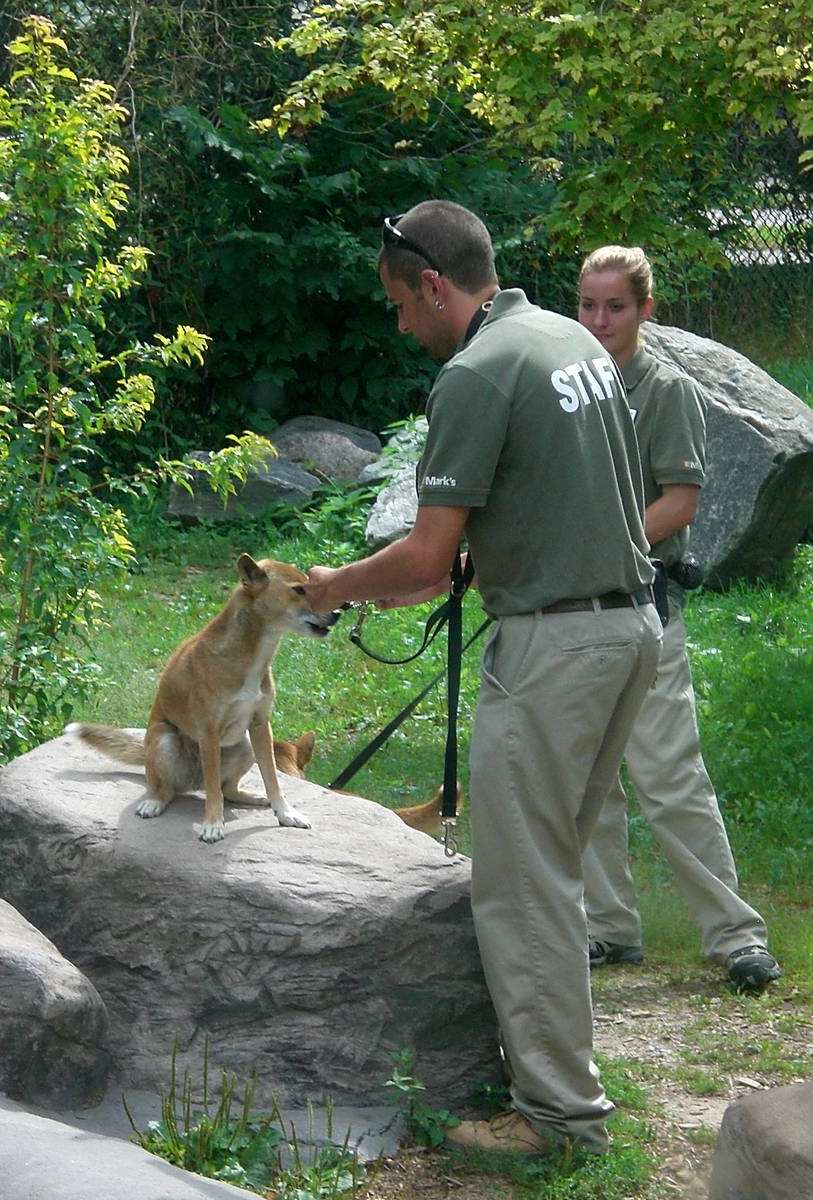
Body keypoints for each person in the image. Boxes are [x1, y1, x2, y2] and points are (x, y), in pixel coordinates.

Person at [302, 202, 663, 1157]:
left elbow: (423, 562)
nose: (399, 325)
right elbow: (576, 488)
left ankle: (557, 1121)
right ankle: (563, 1084)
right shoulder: (564, 339)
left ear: (432, 283)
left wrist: (335, 584)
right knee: (556, 868)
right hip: (630, 628)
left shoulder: (472, 374)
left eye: (398, 303)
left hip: (556, 653)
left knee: (520, 885)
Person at [575, 245, 782, 994]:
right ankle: (606, 926)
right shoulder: (564, 385)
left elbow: (680, 504)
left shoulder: (666, 391)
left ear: (645, 310)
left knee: (670, 776)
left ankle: (734, 936)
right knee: (589, 781)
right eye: (589, 306)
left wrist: (595, 545)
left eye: (616, 307)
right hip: (572, 615)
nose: (600, 321)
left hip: (643, 604)